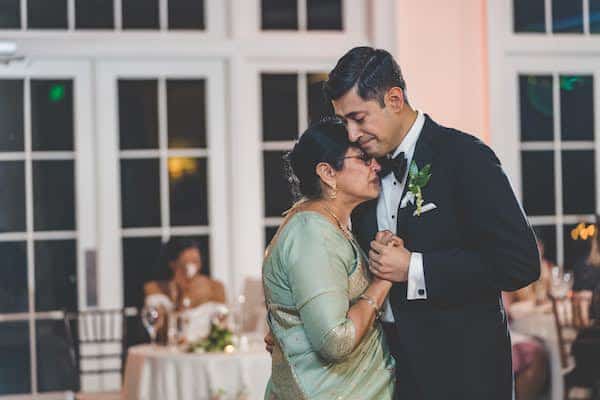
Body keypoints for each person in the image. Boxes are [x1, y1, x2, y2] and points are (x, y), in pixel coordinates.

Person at [323, 47, 540, 399]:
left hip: (465, 374)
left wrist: (414, 267)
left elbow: (520, 264)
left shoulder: (465, 156)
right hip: (389, 374)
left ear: (394, 99)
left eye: (359, 118)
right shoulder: (365, 170)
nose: (351, 134)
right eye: (344, 121)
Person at [262, 117, 395, 399]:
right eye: (363, 158)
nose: (376, 166)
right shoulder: (312, 233)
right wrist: (382, 280)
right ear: (327, 172)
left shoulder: (329, 224)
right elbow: (335, 340)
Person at [144, 238, 226, 342]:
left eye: (196, 261)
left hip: (206, 349)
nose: (192, 267)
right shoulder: (155, 288)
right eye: (186, 263)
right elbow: (161, 332)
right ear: (173, 263)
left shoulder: (215, 286)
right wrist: (181, 292)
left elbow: (224, 324)